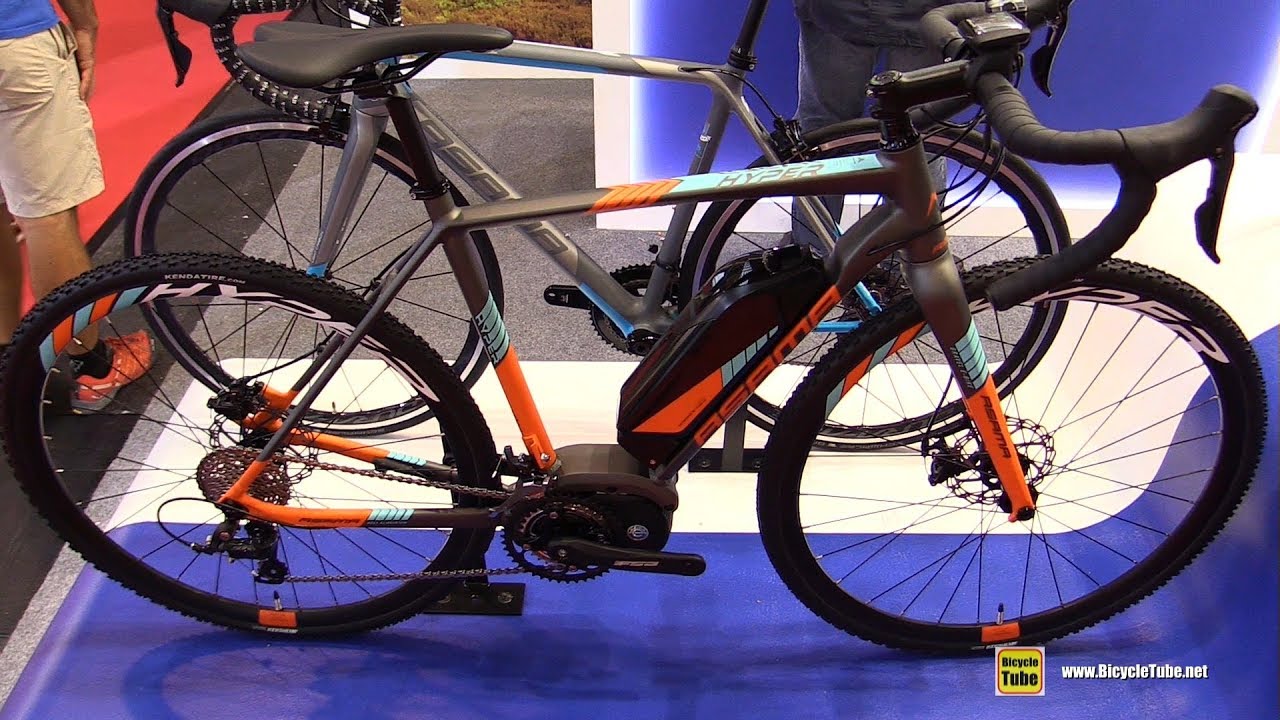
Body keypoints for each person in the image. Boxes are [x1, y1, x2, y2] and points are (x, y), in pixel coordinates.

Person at [0, 0, 152, 410]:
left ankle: (5, 361)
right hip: (11, 37)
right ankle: (94, 365)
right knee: (47, 215)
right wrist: (85, 23)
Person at [790, 0, 956, 253]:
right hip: (925, 10)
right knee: (922, 130)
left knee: (823, 130)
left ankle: (809, 254)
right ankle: (917, 256)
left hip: (839, 9)